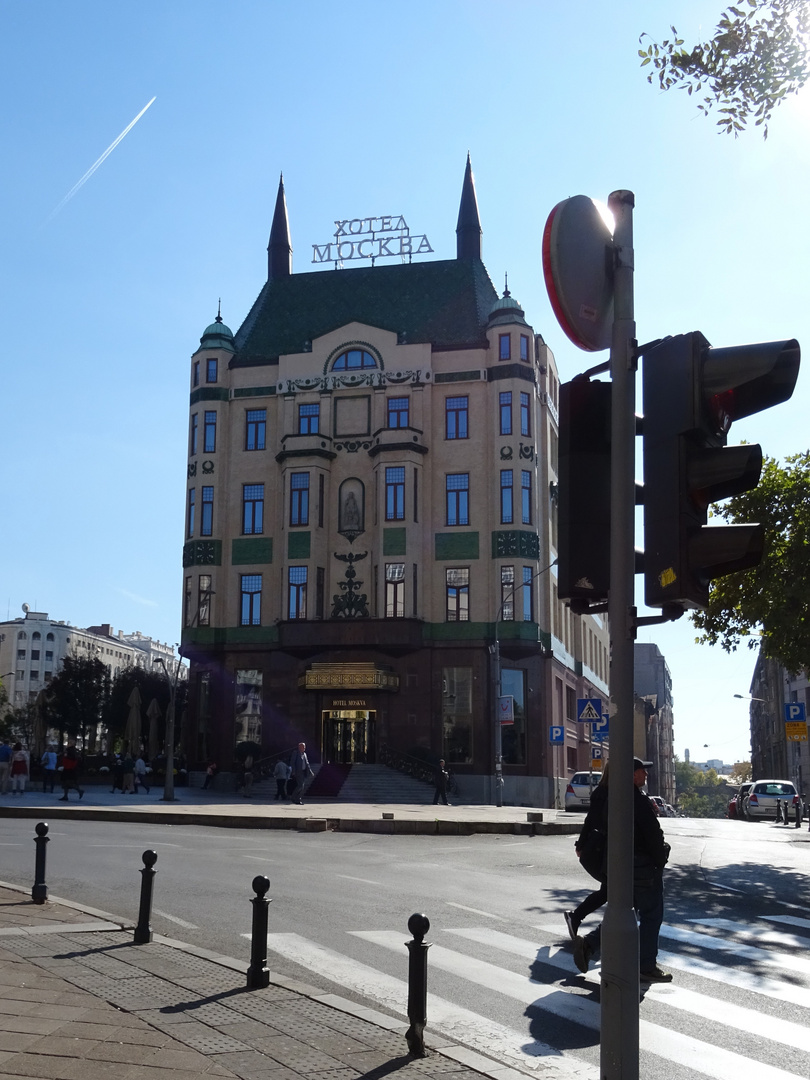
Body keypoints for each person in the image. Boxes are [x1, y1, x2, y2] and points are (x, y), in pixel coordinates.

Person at [572, 757, 672, 983]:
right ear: (630, 774)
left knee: (623, 912)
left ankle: (589, 944)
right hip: (643, 867)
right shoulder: (635, 798)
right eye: (641, 771)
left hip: (621, 865)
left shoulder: (613, 796)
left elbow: (593, 821)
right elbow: (652, 833)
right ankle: (646, 966)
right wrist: (660, 860)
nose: (645, 775)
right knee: (651, 915)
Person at [565, 766, 609, 940]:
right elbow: (590, 820)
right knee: (616, 891)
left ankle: (576, 918)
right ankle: (598, 935)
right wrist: (581, 844)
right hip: (602, 849)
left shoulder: (608, 791)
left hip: (607, 849)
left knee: (609, 891)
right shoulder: (603, 793)